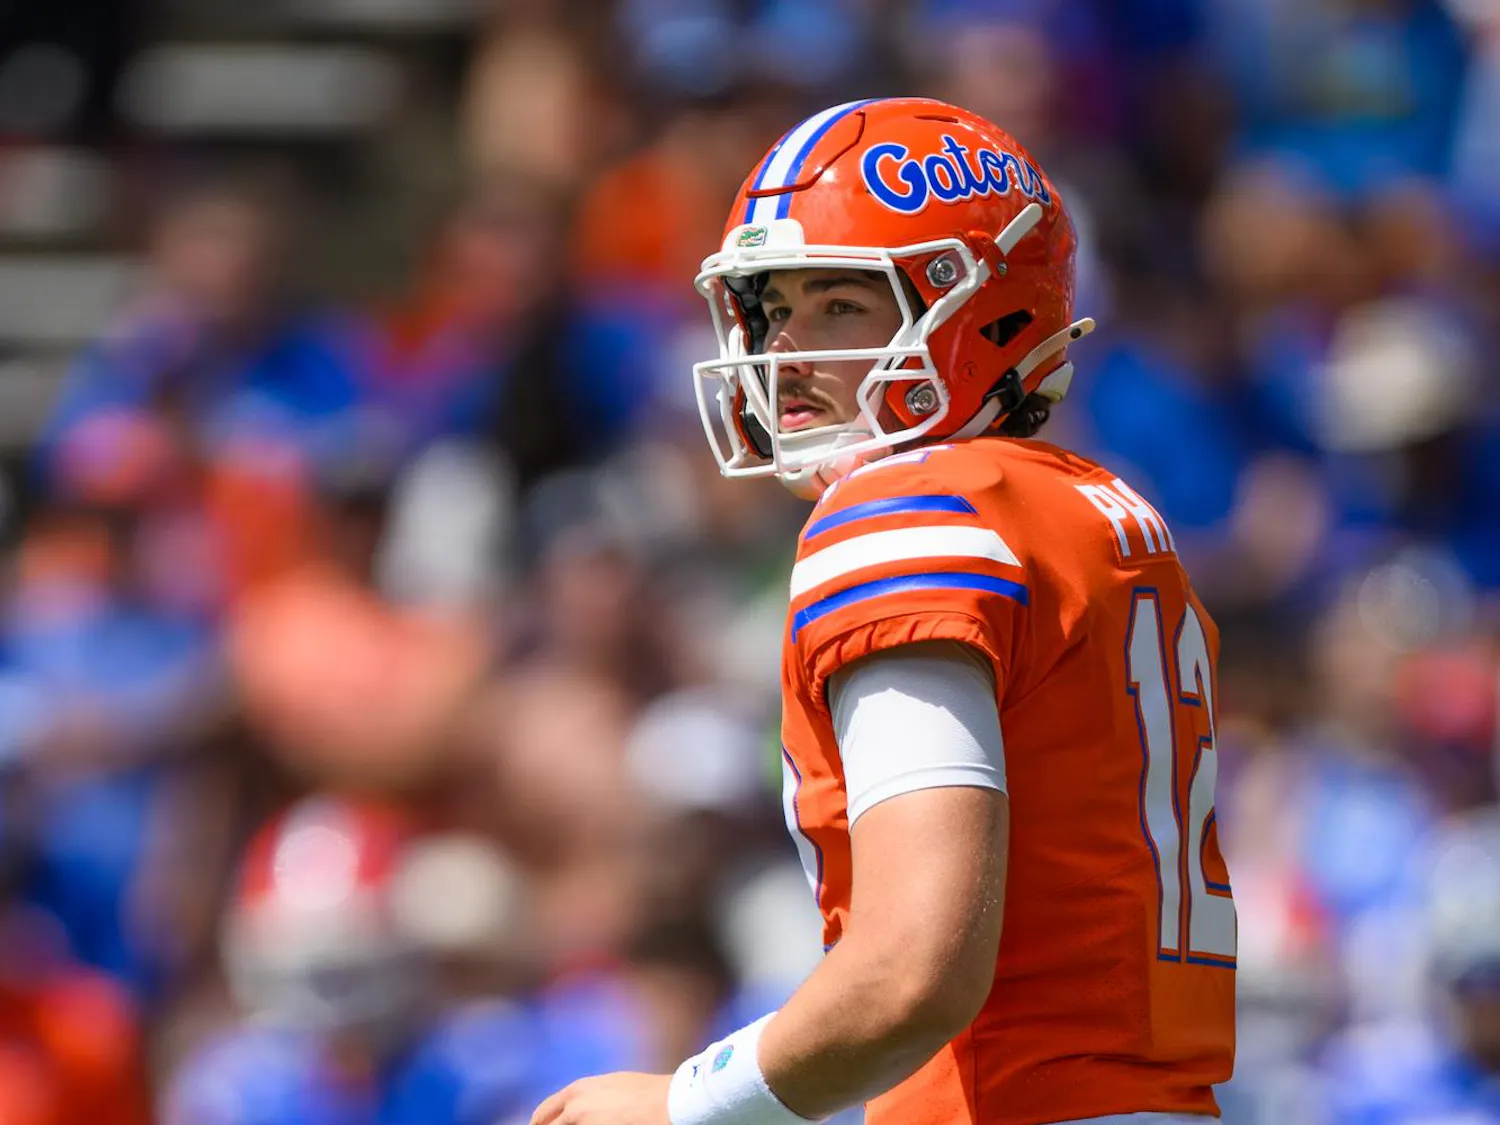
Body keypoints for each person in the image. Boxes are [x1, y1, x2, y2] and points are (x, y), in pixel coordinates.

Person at [531, 96, 1235, 1125]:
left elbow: (918, 967)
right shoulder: (1105, 511)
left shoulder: (909, 514)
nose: (790, 352)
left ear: (982, 311)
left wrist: (689, 1104)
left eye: (842, 306)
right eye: (773, 308)